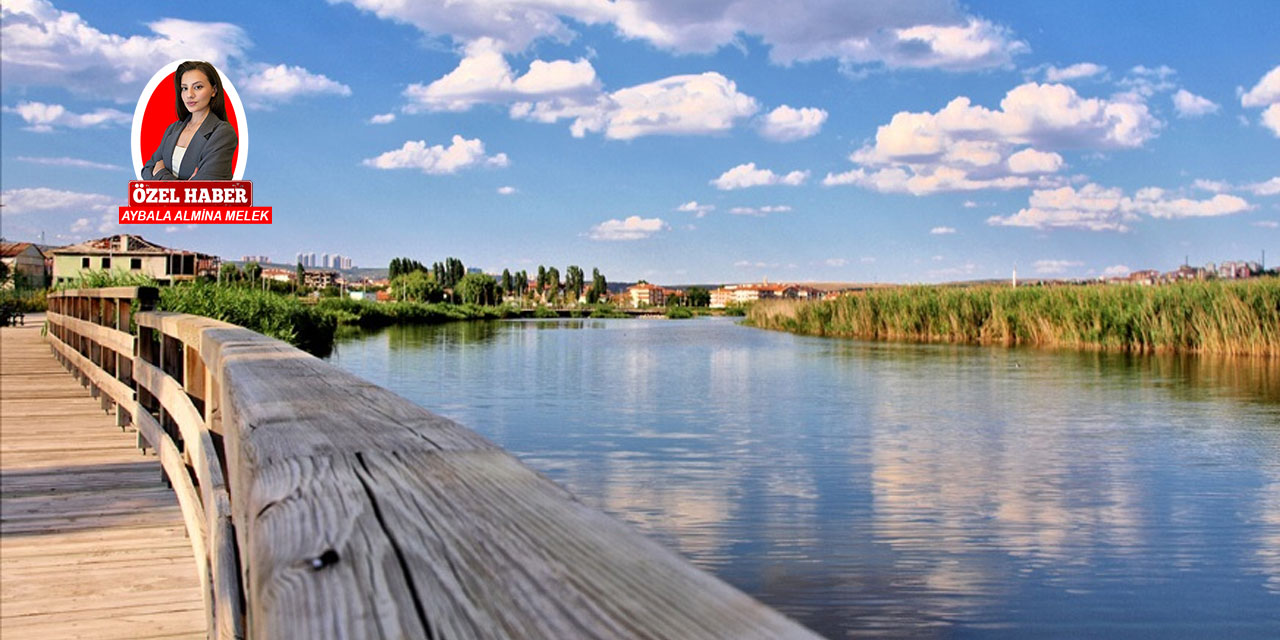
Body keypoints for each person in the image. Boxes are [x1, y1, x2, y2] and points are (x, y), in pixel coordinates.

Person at [142, 61, 237, 180]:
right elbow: (147, 170)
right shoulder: (174, 128)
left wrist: (160, 173)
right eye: (184, 88)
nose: (189, 95)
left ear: (214, 90)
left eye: (198, 87)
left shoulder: (223, 133)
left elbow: (201, 191)